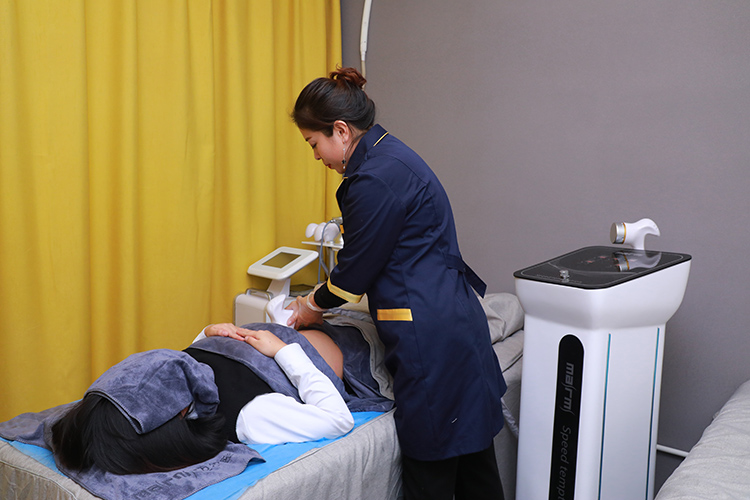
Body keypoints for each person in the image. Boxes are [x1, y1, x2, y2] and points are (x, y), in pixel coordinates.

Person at [288, 67, 508, 500]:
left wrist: (310, 305)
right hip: (452, 318)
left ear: (340, 130)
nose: (316, 156)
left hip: (428, 336)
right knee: (475, 468)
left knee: (432, 470)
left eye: (314, 144)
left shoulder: (374, 180)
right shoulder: (392, 155)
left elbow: (352, 275)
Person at [51, 324, 354, 475]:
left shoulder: (180, 380)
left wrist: (207, 336)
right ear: (180, 414)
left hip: (298, 328)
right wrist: (283, 351)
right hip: (354, 350)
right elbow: (338, 420)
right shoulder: (252, 415)